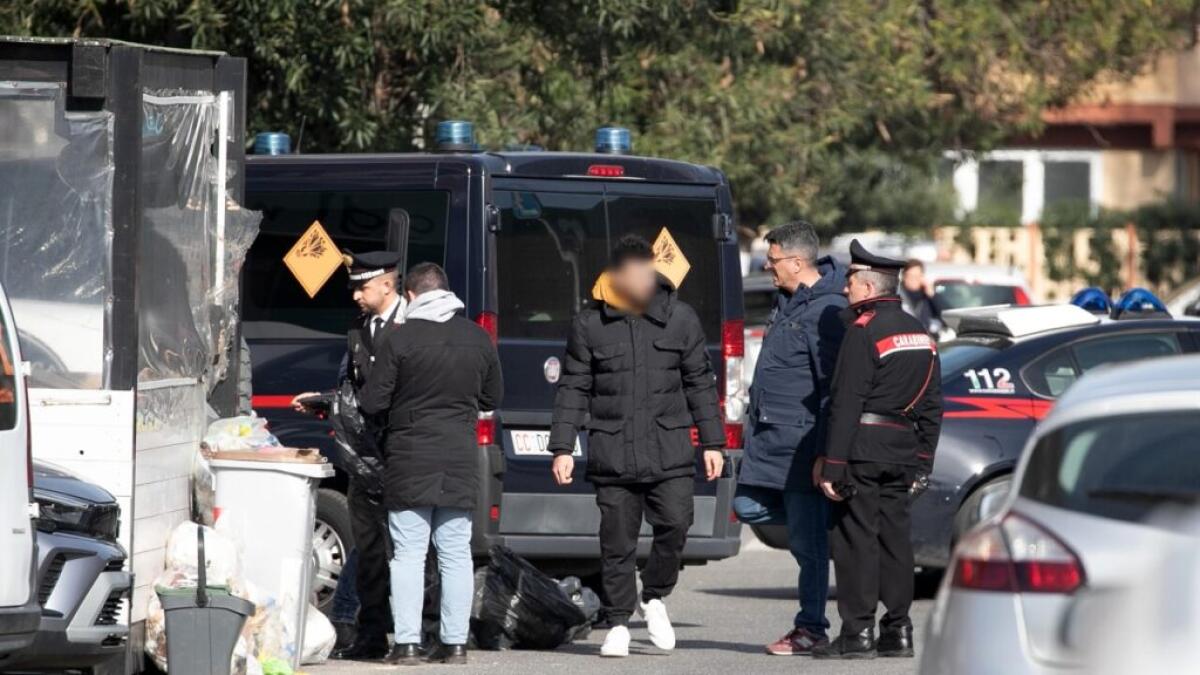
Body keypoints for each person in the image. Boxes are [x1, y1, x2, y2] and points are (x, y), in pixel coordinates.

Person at [547, 234, 725, 659]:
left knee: (677, 523)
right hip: (613, 450)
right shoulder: (590, 323)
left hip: (670, 447)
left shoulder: (679, 319)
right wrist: (562, 446)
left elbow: (700, 382)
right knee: (616, 542)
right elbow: (574, 386)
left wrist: (713, 442)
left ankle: (656, 595)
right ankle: (619, 622)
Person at [360, 262, 502, 666]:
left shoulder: (401, 340)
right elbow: (493, 397)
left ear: (410, 296)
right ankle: (455, 643)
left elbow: (373, 402)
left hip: (409, 455)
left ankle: (406, 644)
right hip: (459, 454)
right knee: (456, 551)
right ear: (447, 292)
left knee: (408, 553)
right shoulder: (477, 337)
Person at [813, 240, 943, 660]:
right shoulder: (920, 332)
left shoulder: (863, 330)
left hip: (863, 451)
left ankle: (857, 633)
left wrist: (833, 465)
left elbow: (847, 400)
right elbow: (933, 404)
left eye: (851, 280)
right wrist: (923, 460)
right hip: (902, 451)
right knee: (895, 542)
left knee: (855, 541)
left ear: (869, 287)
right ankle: (898, 629)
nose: (845, 287)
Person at [734, 221, 846, 655]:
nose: (768, 266)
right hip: (771, 443)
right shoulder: (791, 301)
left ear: (798, 262)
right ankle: (818, 528)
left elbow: (831, 388)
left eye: (774, 258)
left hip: (802, 447)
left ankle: (811, 627)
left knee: (807, 541)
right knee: (746, 505)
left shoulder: (826, 311)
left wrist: (825, 453)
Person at [290, 250, 406, 660]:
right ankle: (371, 636)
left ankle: (422, 633)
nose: (356, 294)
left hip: (404, 455)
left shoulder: (413, 327)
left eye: (363, 286)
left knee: (410, 550)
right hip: (363, 457)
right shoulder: (359, 330)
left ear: (387, 284)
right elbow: (352, 388)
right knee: (371, 548)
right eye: (355, 287)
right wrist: (324, 402)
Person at [898, 259, 939, 335]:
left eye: (917, 276)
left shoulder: (927, 296)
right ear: (904, 276)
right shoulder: (896, 295)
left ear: (922, 277)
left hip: (925, 339)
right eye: (910, 276)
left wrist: (932, 295)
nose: (913, 280)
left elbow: (942, 315)